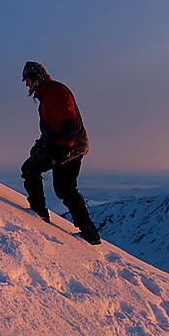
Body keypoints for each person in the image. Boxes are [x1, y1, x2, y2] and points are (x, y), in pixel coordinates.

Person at [20, 61, 101, 245]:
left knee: (31, 169)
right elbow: (54, 126)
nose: (26, 84)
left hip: (70, 146)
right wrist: (41, 143)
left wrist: (64, 148)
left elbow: (68, 120)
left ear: (37, 78)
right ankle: (89, 233)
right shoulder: (47, 94)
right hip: (66, 144)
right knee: (64, 188)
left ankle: (39, 214)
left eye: (28, 79)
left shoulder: (55, 91)